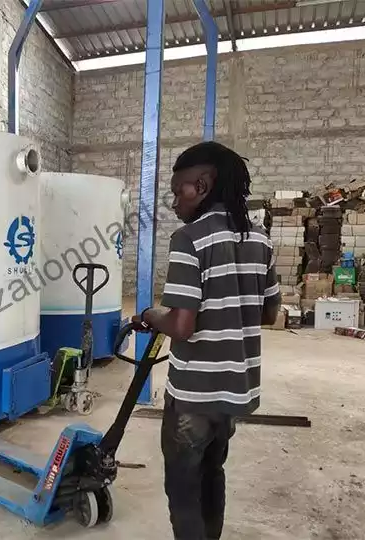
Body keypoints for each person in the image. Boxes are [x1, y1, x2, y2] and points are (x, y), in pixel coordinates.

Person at [132, 142, 281, 539]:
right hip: (234, 389)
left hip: (194, 394)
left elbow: (181, 325)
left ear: (201, 185)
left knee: (183, 487)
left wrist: (149, 315)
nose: (174, 200)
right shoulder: (261, 240)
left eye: (179, 189)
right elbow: (269, 314)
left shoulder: (190, 239)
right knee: (213, 474)